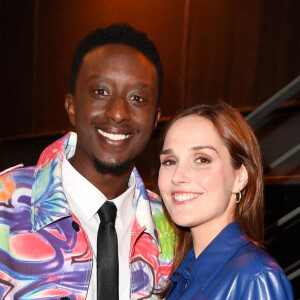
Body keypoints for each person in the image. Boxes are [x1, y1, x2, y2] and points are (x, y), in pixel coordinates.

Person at [0, 23, 175, 300]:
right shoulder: (6, 207)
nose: (118, 113)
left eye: (137, 97)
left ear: (154, 120)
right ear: (71, 107)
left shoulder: (172, 227)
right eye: (100, 92)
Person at [156, 103, 294, 299]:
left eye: (202, 159)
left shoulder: (256, 277)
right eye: (169, 161)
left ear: (240, 177)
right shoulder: (183, 274)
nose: (178, 176)